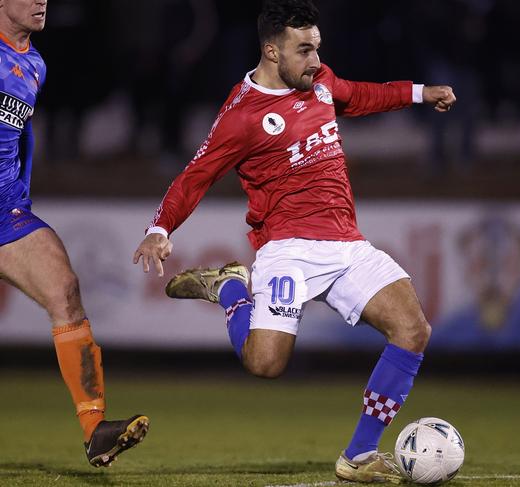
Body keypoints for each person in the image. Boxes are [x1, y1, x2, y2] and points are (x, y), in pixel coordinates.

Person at [133, 0, 455, 482]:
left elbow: (360, 95)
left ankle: (360, 455)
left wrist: (418, 93)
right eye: (303, 50)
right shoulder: (241, 116)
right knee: (266, 365)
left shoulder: (320, 82)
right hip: (287, 249)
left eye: (317, 47)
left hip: (347, 246)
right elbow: (194, 176)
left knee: (413, 330)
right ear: (271, 51)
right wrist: (160, 229)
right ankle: (230, 290)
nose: (315, 60)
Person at [0, 0, 148, 467]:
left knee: (65, 289)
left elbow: (21, 135)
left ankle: (95, 430)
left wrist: (21, 192)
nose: (41, 0)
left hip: (7, 211)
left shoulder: (34, 63)